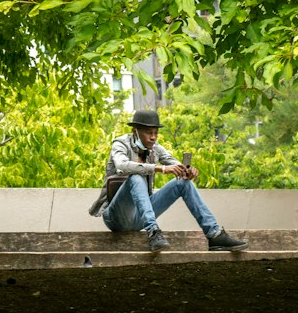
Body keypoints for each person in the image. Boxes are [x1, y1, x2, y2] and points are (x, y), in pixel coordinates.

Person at [89, 108, 249, 253]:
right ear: (135, 131)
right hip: (116, 216)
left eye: (155, 133)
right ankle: (153, 232)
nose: (153, 137)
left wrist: (187, 170)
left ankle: (214, 235)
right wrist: (160, 168)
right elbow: (122, 165)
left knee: (182, 183)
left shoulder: (155, 148)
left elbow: (174, 164)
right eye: (148, 132)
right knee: (136, 177)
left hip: (139, 218)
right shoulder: (120, 143)